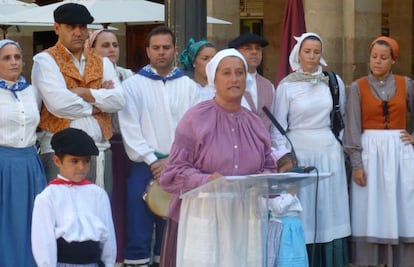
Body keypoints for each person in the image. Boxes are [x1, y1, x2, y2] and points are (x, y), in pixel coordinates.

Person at [159, 48, 277, 267]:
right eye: (227, 73)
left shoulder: (254, 122)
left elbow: (269, 167)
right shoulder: (195, 118)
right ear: (214, 78)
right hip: (204, 214)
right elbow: (173, 173)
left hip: (246, 218)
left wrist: (266, 181)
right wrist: (205, 181)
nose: (234, 79)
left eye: (240, 73)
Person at [118, 25, 199, 267]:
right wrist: (153, 160)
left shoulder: (189, 86)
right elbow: (129, 127)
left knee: (171, 233)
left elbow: (193, 129)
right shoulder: (132, 86)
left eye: (166, 47)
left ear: (175, 50)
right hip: (144, 166)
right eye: (156, 48)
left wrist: (173, 160)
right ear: (148, 51)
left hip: (180, 166)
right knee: (138, 231)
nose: (161, 52)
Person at [271, 32, 350, 267]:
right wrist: (285, 157)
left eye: (317, 51)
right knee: (305, 208)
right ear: (298, 54)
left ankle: (331, 258)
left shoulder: (334, 82)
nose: (312, 56)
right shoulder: (286, 86)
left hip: (328, 151)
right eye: (307, 51)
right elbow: (277, 126)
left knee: (330, 207)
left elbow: (340, 117)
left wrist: (338, 145)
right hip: (300, 152)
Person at [31, 3, 125, 194]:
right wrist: (99, 104)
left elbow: (119, 100)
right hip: (60, 154)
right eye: (70, 27)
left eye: (82, 27)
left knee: (97, 215)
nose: (77, 32)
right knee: (63, 216)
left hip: (99, 152)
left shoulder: (102, 61)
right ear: (57, 28)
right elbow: (59, 104)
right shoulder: (45, 60)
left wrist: (85, 92)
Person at [343, 36, 414, 266]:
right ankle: (370, 260)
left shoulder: (406, 84)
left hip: (399, 153)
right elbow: (352, 127)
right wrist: (356, 164)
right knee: (368, 207)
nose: (378, 61)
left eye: (384, 58)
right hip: (369, 153)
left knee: (401, 204)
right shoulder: (357, 87)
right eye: (374, 57)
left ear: (393, 60)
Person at [31, 128, 116, 267]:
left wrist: (109, 263)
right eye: (74, 161)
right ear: (57, 161)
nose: (81, 167)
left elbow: (108, 236)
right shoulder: (47, 197)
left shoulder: (98, 194)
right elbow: (44, 242)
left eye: (86, 161)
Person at [85, 29, 134, 263]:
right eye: (105, 45)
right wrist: (100, 94)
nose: (112, 49)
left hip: (127, 146)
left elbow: (125, 105)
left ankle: (121, 255)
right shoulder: (87, 75)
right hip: (102, 144)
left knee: (125, 203)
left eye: (115, 44)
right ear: (91, 49)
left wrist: (108, 96)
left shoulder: (128, 76)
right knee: (105, 201)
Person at [0, 39, 47, 267]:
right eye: (6, 58)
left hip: (30, 163)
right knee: (5, 222)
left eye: (17, 57)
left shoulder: (32, 92)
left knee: (32, 221)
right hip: (2, 164)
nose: (13, 62)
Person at [228, 32, 276, 131]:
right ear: (236, 52)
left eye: (258, 49)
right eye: (248, 48)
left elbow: (273, 124)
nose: (254, 52)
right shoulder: (228, 83)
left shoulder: (268, 86)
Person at [262, 187, 308, 267]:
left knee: (295, 257)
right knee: (285, 257)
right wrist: (291, 194)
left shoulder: (284, 185)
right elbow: (279, 208)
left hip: (291, 226)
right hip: (285, 227)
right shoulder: (272, 188)